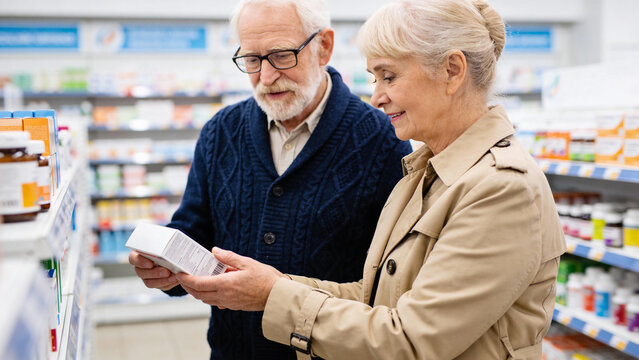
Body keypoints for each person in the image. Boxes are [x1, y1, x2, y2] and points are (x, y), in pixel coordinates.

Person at [175, 0, 567, 359]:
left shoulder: (502, 188)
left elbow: (414, 338)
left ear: (452, 71)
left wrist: (274, 294)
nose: (376, 97)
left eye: (389, 76)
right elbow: (375, 296)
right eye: (374, 77)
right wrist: (273, 285)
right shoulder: (427, 172)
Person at [128, 0, 411, 359]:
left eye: (280, 56)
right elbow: (195, 229)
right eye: (251, 59)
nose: (265, 77)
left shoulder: (382, 139)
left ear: (323, 46)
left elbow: (390, 280)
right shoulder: (220, 132)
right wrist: (165, 265)